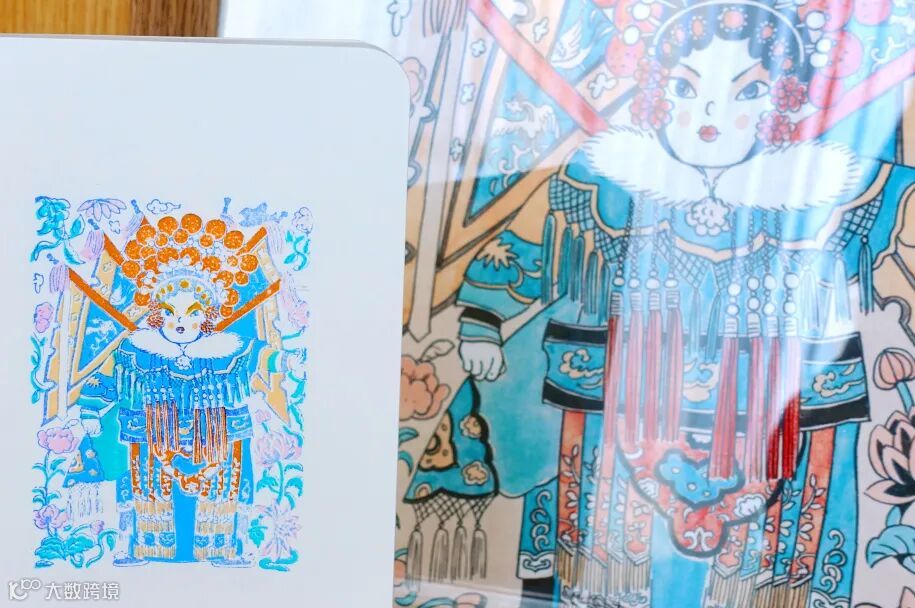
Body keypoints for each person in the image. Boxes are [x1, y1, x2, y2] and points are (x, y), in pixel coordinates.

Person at [404, 1, 910, 606]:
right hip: (627, 404)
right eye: (687, 89)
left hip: (774, 415)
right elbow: (528, 245)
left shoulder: (833, 189)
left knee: (766, 573)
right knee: (607, 566)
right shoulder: (605, 184)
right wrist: (484, 320)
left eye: (746, 92)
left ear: (780, 105)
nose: (711, 117)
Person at [74, 214, 301, 566]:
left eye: (192, 313)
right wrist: (89, 410)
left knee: (224, 489)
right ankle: (141, 547)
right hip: (152, 437)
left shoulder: (228, 349)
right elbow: (107, 380)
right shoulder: (136, 350)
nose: (181, 321)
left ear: (206, 315)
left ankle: (225, 549)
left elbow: (263, 356)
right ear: (158, 314)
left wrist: (288, 361)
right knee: (145, 489)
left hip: (218, 438)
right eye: (171, 312)